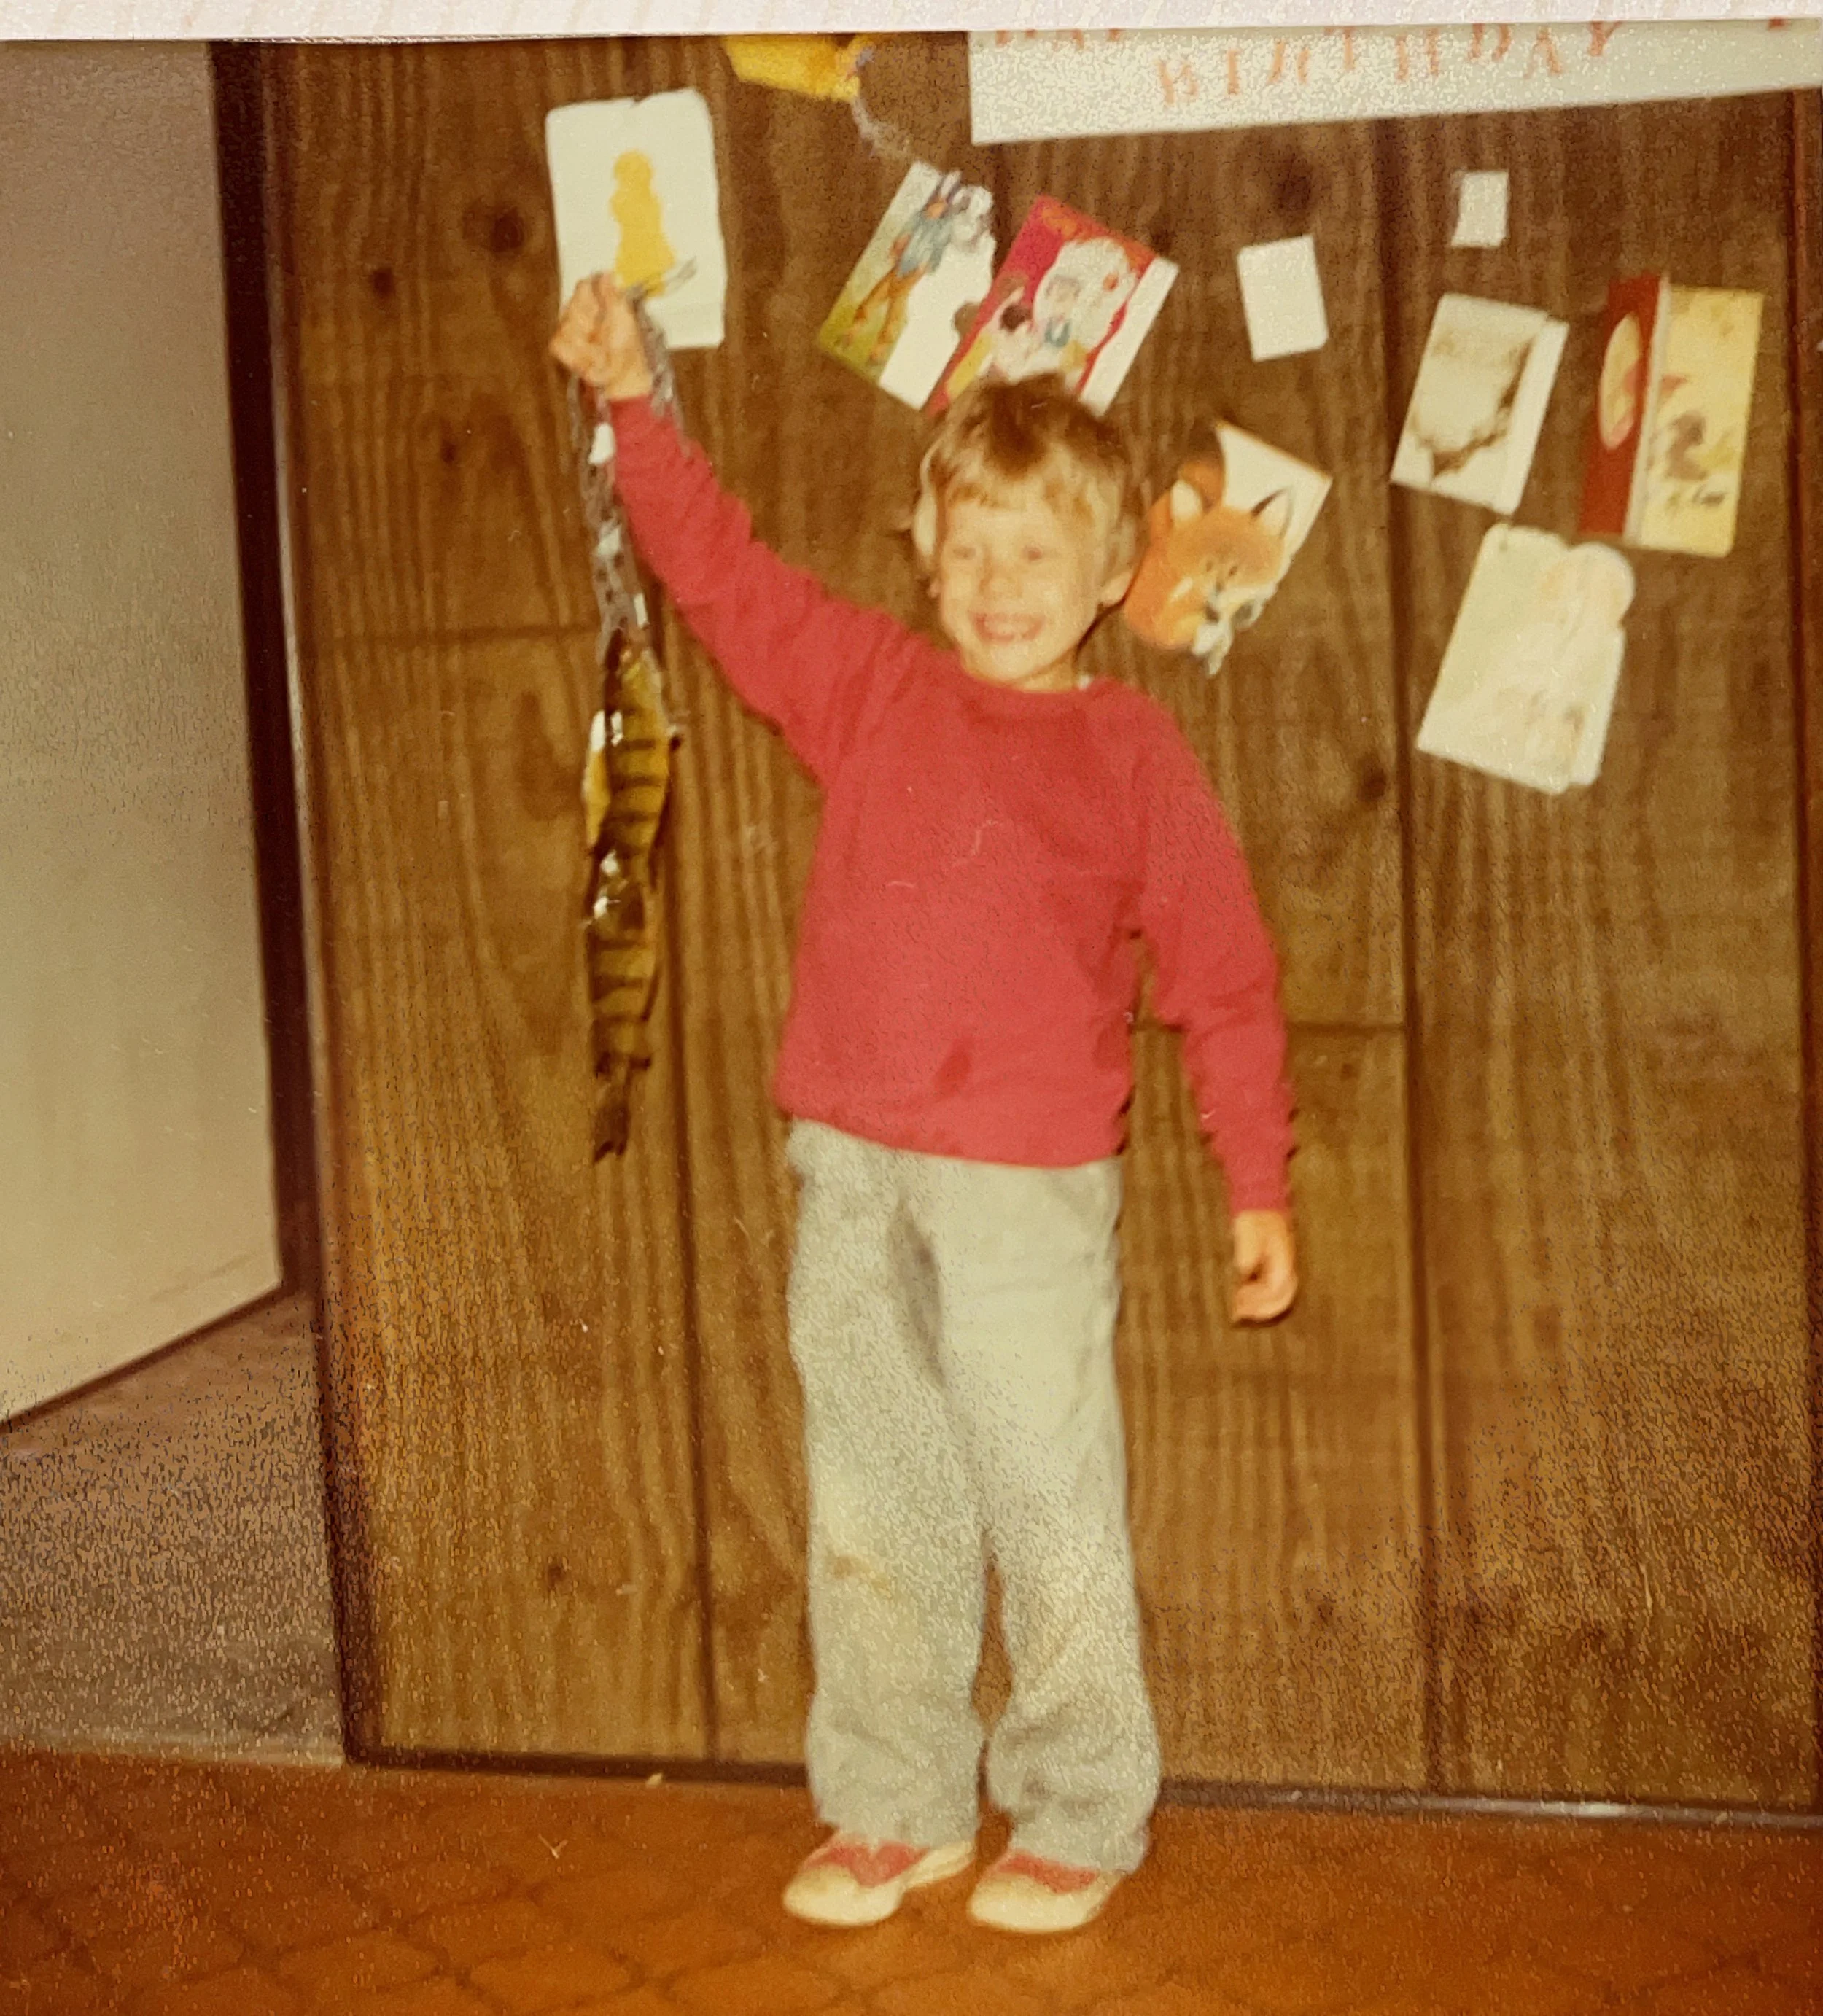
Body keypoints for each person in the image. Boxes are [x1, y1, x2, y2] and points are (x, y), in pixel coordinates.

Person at [550, 274, 1299, 1937]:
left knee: (1045, 1492)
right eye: (968, 548)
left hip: (1026, 1193)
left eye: (1036, 554)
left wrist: (1256, 1180)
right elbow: (722, 573)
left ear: (1112, 576)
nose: (997, 585)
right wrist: (630, 406)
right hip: (849, 1164)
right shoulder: (871, 687)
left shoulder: (1132, 759)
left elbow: (1225, 982)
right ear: (921, 546)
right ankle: (894, 1803)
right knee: (873, 1496)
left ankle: (1078, 1805)